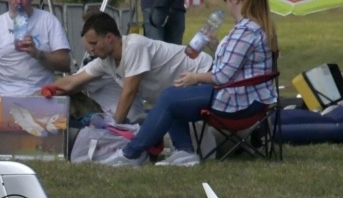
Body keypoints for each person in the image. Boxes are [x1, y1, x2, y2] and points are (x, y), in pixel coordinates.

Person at [99, 0, 277, 168]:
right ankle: (184, 152)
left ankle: (130, 153)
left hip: (237, 102)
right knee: (174, 94)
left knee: (169, 97)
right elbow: (237, 65)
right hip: (245, 98)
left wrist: (196, 77)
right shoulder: (251, 28)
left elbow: (222, 76)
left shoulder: (245, 32)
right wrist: (215, 44)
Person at [43, 12, 213, 125]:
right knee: (165, 109)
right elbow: (73, 81)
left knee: (164, 111)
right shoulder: (106, 60)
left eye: (94, 44)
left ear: (109, 38)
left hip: (205, 76)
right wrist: (44, 92)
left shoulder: (134, 46)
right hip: (177, 95)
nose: (91, 49)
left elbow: (129, 91)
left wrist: (115, 128)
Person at [0, 0, 71, 97]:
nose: (19, 1)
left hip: (41, 95)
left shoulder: (48, 21)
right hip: (3, 95)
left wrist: (37, 54)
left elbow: (65, 64)